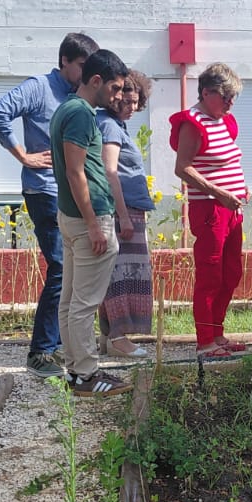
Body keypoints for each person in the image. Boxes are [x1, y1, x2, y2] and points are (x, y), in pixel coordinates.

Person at [0, 31, 98, 380]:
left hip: (69, 193)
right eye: (81, 66)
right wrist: (24, 156)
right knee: (61, 268)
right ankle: (41, 351)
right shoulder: (39, 87)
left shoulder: (76, 97)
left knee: (75, 270)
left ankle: (62, 345)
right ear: (65, 61)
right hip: (45, 191)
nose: (85, 72)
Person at [49, 48, 131, 396]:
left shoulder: (67, 108)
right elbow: (75, 171)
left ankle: (75, 370)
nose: (117, 96)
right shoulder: (81, 114)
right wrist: (95, 224)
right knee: (84, 303)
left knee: (70, 300)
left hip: (72, 219)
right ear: (95, 80)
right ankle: (86, 375)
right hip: (88, 220)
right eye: (114, 88)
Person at [170, 64, 249, 358]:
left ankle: (217, 332)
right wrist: (218, 192)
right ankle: (205, 341)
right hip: (210, 209)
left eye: (233, 98)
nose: (229, 103)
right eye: (225, 96)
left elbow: (226, 160)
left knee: (231, 272)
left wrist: (239, 189)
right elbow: (182, 167)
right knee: (210, 274)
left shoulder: (224, 120)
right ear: (207, 93)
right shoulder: (192, 122)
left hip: (231, 207)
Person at [97, 70, 155, 358]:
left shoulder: (117, 125)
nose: (132, 108)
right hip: (124, 212)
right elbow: (110, 171)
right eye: (127, 102)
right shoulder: (109, 126)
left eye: (136, 103)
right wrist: (122, 215)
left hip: (129, 209)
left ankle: (108, 336)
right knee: (122, 274)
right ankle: (118, 338)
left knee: (119, 273)